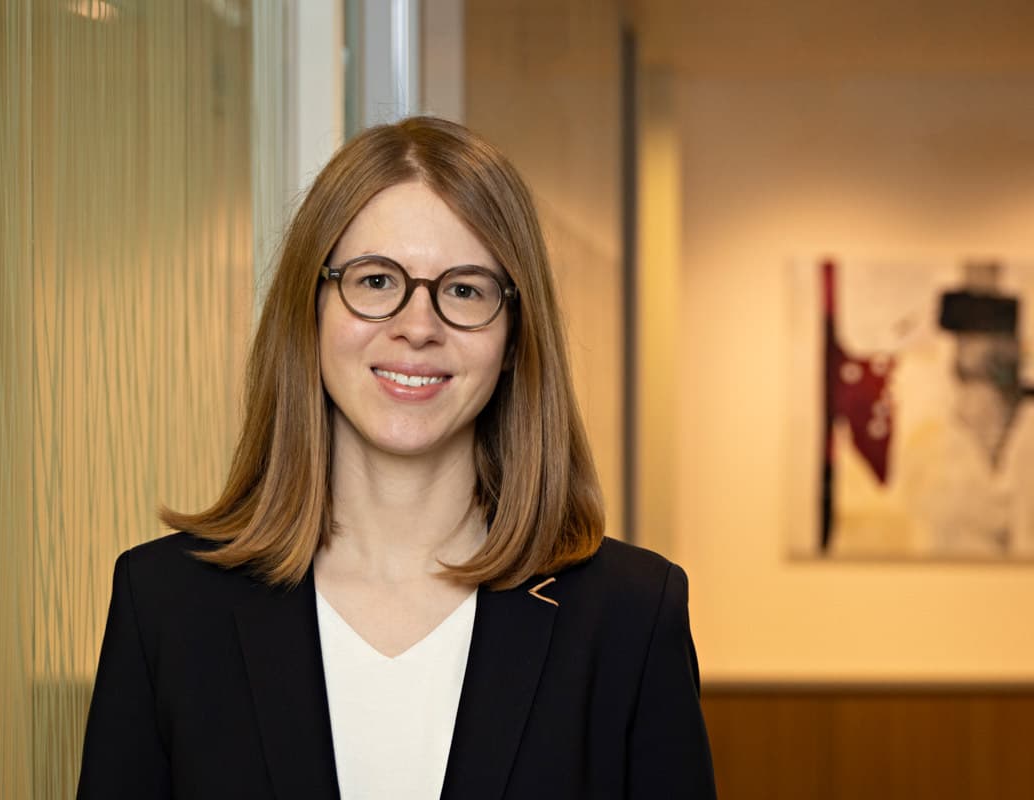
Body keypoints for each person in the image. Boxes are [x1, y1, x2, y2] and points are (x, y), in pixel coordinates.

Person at [76, 116, 715, 799]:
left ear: (513, 340)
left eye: (465, 289)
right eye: (376, 281)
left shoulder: (629, 616)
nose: (417, 327)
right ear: (310, 309)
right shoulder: (167, 605)